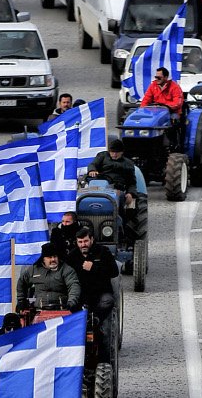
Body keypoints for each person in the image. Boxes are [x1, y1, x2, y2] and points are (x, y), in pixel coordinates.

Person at [66, 225, 118, 358]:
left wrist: (94, 267)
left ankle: (96, 322)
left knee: (108, 301)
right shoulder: (72, 256)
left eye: (85, 241)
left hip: (100, 294)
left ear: (92, 240)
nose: (83, 244)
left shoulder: (103, 252)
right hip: (81, 296)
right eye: (80, 242)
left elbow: (114, 272)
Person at [16, 247, 81, 313]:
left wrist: (71, 302)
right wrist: (21, 301)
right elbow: (21, 282)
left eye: (55, 256)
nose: (53, 259)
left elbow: (74, 285)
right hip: (39, 311)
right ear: (43, 259)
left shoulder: (66, 269)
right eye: (50, 257)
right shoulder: (33, 269)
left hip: (61, 310)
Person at [87, 137, 137, 207]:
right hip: (99, 186)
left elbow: (131, 182)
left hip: (117, 188)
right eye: (112, 152)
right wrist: (92, 170)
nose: (114, 154)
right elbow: (93, 164)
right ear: (109, 151)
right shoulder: (102, 156)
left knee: (121, 199)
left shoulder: (128, 163)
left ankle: (118, 215)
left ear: (122, 152)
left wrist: (130, 193)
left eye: (117, 152)